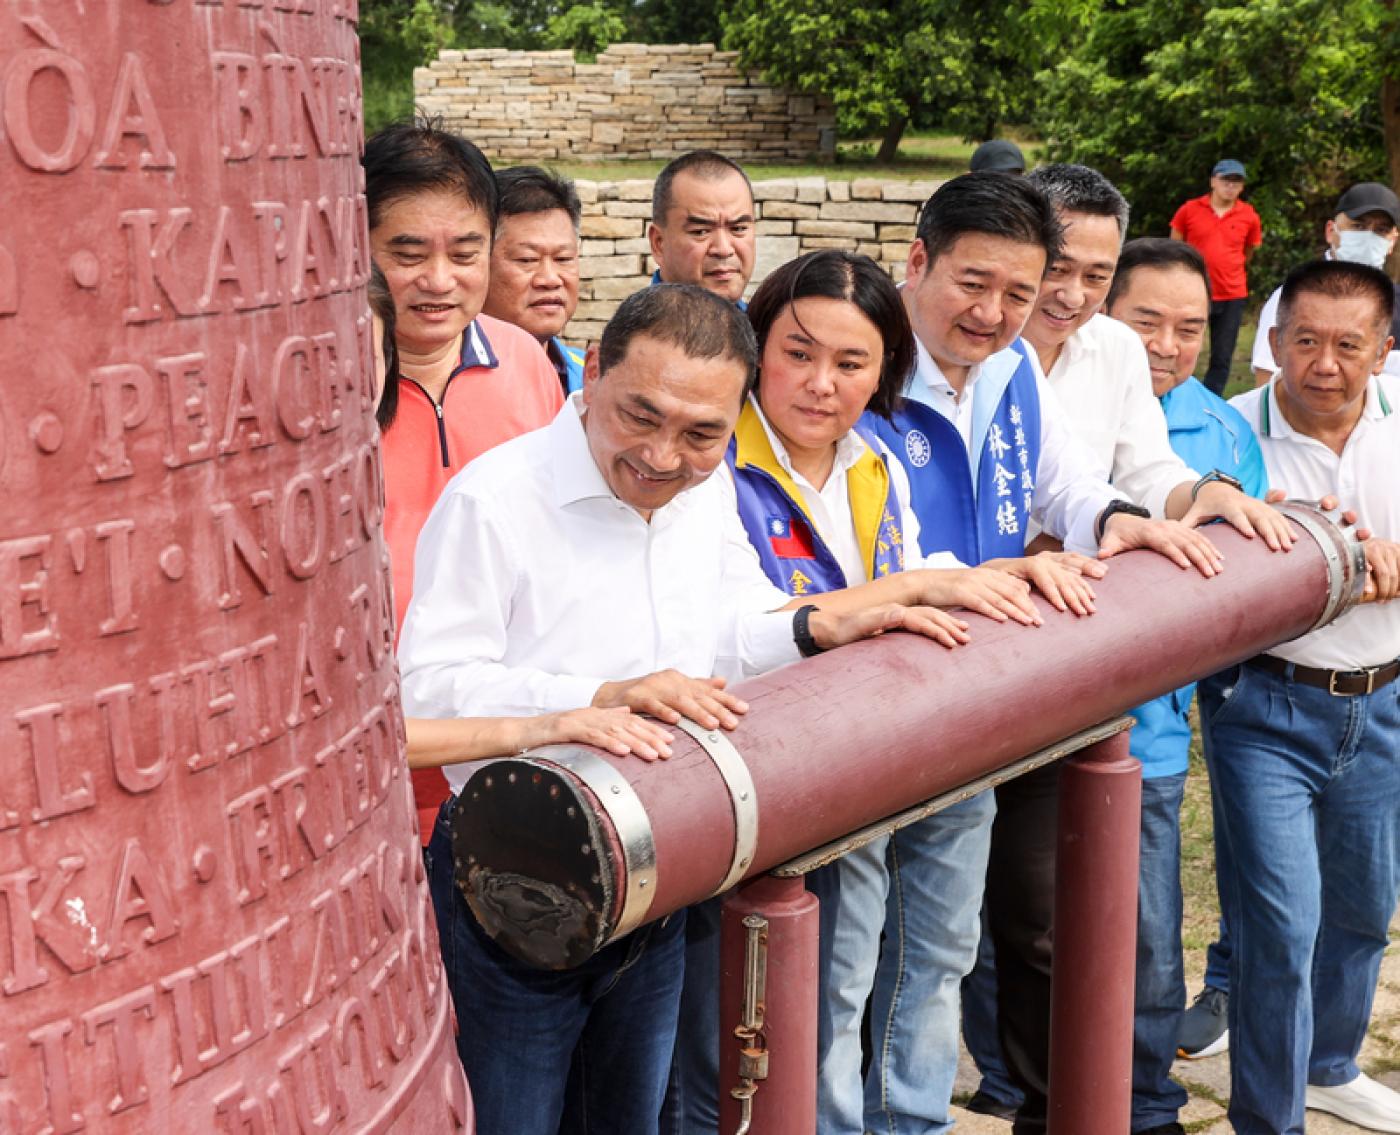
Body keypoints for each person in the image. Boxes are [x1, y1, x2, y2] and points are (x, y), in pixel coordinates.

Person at [399, 284, 985, 1135]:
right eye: (641, 415)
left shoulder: (706, 492)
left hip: (659, 857)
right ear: (593, 372)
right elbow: (428, 691)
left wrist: (827, 618)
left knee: (629, 1115)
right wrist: (596, 694)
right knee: (510, 1117)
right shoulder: (497, 499)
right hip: (517, 868)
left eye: (702, 433)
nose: (664, 455)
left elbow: (728, 632)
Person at [661, 249, 1103, 1135]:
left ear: (883, 373)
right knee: (830, 978)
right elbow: (741, 636)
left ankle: (912, 1121)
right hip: (792, 771)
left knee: (936, 952)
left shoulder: (872, 462)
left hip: (901, 742)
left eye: (852, 363)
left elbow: (904, 569)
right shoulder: (711, 468)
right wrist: (904, 595)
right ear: (755, 351)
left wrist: (988, 575)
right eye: (798, 352)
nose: (821, 384)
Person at [851, 170, 1227, 1135]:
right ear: (917, 260)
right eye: (973, 284)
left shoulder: (1015, 367)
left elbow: (1067, 486)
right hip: (874, 700)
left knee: (942, 954)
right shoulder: (858, 364)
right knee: (854, 960)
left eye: (1018, 293)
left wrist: (1121, 520)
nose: (996, 313)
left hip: (988, 697)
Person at [955, 164, 1290, 1135]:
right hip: (958, 651)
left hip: (1064, 665)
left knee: (1043, 922)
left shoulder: (1106, 351)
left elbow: (1140, 468)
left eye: (1093, 275)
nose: (1067, 293)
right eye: (1055, 266)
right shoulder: (974, 342)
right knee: (941, 928)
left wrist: (1196, 499)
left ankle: (1050, 1107)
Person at [1201, 259, 1400, 1135]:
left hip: (1385, 701)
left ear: (1384, 351)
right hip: (1266, 707)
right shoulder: (1229, 437)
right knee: (1280, 928)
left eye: (1349, 344)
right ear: (1270, 342)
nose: (1325, 363)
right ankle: (1268, 1120)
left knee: (1363, 910)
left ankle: (1329, 1064)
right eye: (1305, 341)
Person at [1105, 237, 1270, 1135]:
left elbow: (1242, 584)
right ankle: (1021, 1087)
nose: (1166, 345)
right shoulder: (1063, 412)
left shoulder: (1223, 431)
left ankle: (1145, 1100)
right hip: (1029, 724)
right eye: (1146, 323)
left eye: (1189, 328)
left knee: (1149, 936)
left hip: (1154, 734)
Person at [365, 120, 564, 842]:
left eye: (466, 252)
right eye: (407, 253)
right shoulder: (327, 383)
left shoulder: (525, 361)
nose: (439, 281)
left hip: (518, 764)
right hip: (379, 774)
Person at [1250, 182, 1400, 385]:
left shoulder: (1396, 303)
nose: (1369, 237)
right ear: (1331, 231)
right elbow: (1266, 381)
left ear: (1392, 240)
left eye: (1380, 230)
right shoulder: (1293, 296)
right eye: (1358, 226)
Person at [483, 165, 586, 395]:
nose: (550, 279)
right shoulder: (448, 386)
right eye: (527, 259)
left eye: (563, 258)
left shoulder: (594, 380)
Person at [1170, 158, 1263, 396]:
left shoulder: (1249, 216)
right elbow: (1175, 247)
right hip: (1195, 291)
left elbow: (1249, 252)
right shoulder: (1189, 210)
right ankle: (1177, 393)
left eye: (1236, 182)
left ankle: (1211, 400)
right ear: (1213, 181)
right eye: (1225, 180)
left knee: (1222, 355)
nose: (1230, 186)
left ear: (1242, 187)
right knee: (1182, 346)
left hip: (1232, 293)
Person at [649, 150, 756, 305]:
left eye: (738, 229)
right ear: (658, 243)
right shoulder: (640, 329)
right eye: (701, 232)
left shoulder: (769, 327)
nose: (724, 249)